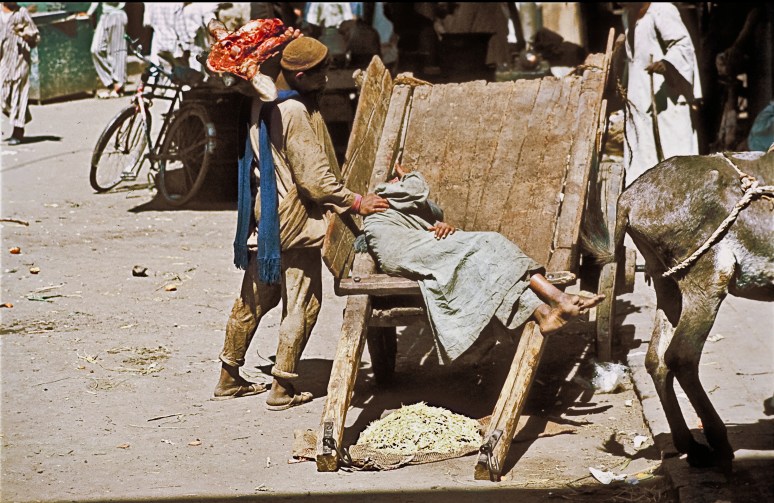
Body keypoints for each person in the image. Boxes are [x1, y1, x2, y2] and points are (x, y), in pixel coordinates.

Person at [213, 36, 390, 409]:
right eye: (320, 74)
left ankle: (228, 376)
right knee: (303, 302)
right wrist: (357, 202)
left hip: (265, 215)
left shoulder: (260, 101)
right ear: (300, 75)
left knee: (255, 298)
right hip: (293, 218)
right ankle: (283, 387)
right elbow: (315, 179)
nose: (326, 79)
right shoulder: (292, 110)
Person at [362, 164, 605, 364]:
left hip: (415, 249)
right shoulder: (383, 196)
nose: (397, 181)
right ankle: (560, 298)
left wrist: (443, 228)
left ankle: (545, 314)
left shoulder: (406, 210)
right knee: (491, 242)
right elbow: (416, 190)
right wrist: (407, 175)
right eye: (395, 181)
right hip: (402, 252)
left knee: (487, 266)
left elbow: (429, 220)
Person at [618, 3, 702, 186]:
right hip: (639, 98)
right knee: (642, 153)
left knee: (674, 152)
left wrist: (666, 64)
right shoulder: (628, 15)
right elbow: (633, 61)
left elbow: (683, 45)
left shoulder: (662, 9)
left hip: (666, 96)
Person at [0, 1, 39, 145]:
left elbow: (36, 37)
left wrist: (28, 36)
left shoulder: (22, 13)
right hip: (3, 60)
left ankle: (18, 129)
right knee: (3, 96)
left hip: (20, 59)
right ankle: (22, 114)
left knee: (18, 92)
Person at [88, 2, 128, 99]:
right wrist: (89, 13)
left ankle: (119, 84)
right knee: (95, 49)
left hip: (117, 14)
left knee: (117, 51)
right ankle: (110, 82)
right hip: (105, 15)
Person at [142, 2, 181, 69]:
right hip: (175, 44)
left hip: (159, 44)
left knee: (162, 69)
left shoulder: (152, 4)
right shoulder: (178, 4)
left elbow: (147, 24)